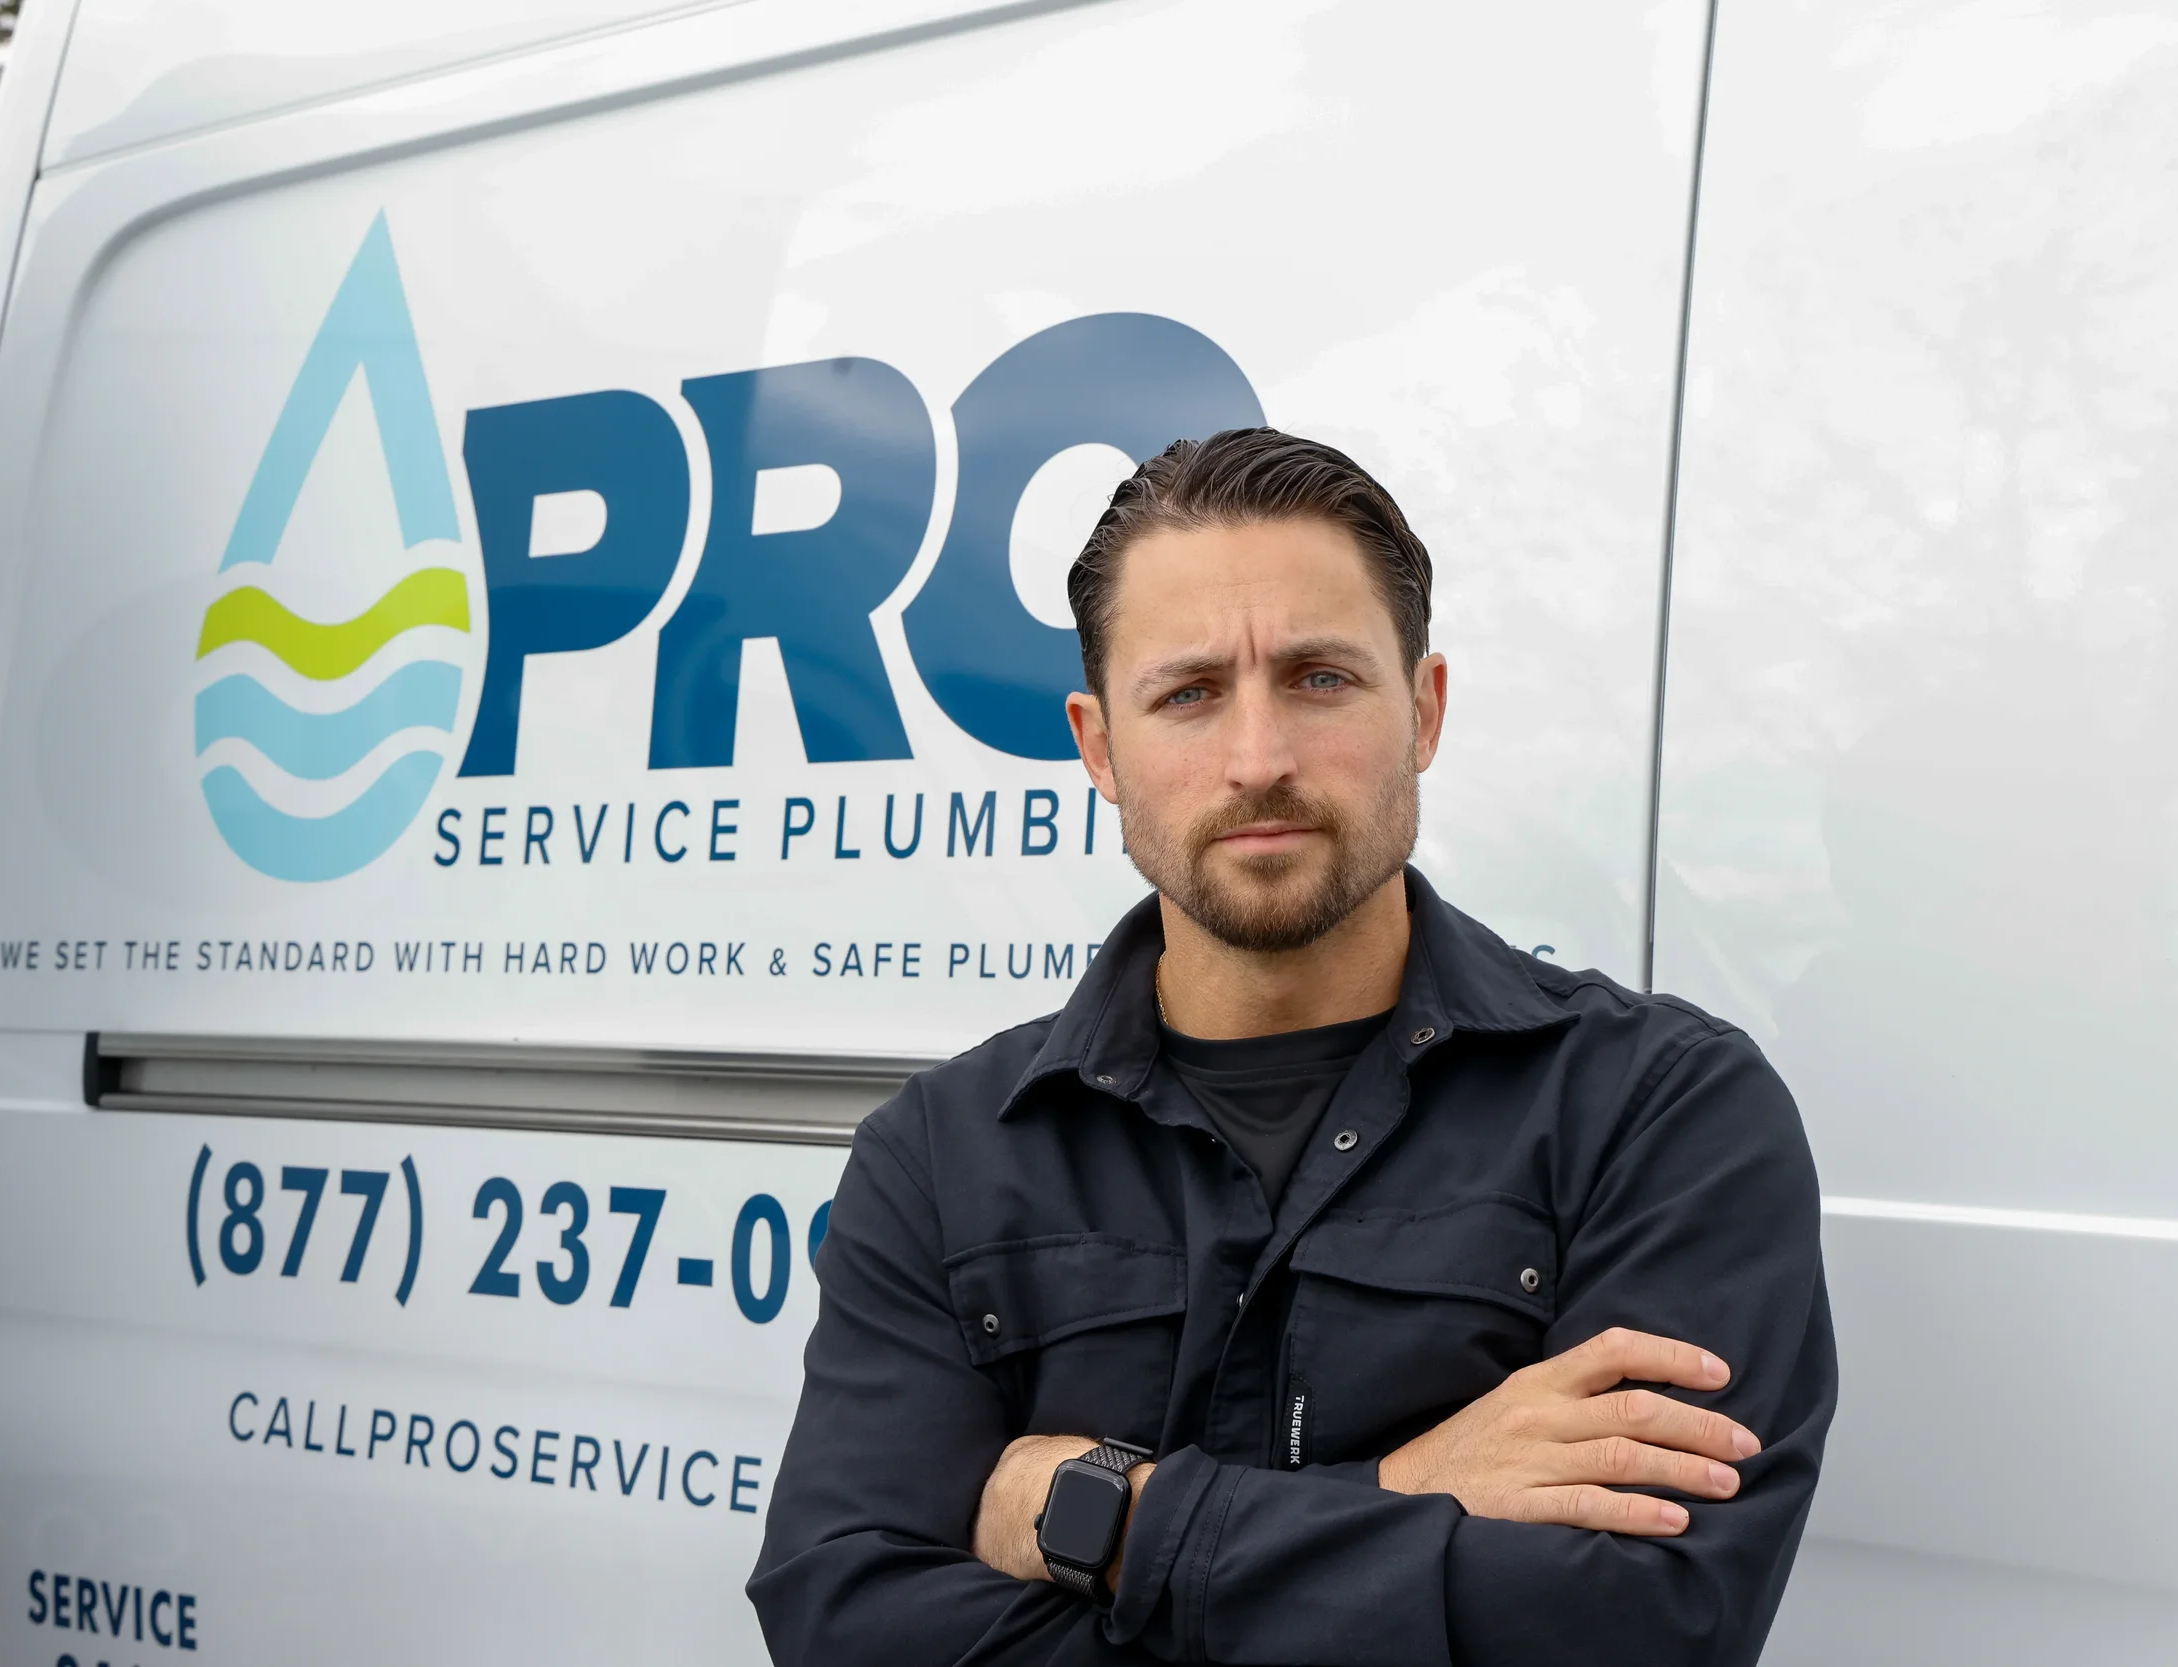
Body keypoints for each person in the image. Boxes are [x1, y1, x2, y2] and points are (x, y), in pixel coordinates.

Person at [747, 427, 1835, 1666]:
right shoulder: (941, 1155)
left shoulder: (1663, 1114)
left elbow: (1636, 1629)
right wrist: (1408, 1489)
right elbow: (849, 1623)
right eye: (1189, 692)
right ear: (1099, 745)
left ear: (1421, 710)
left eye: (1319, 678)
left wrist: (1108, 1516)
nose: (1259, 758)